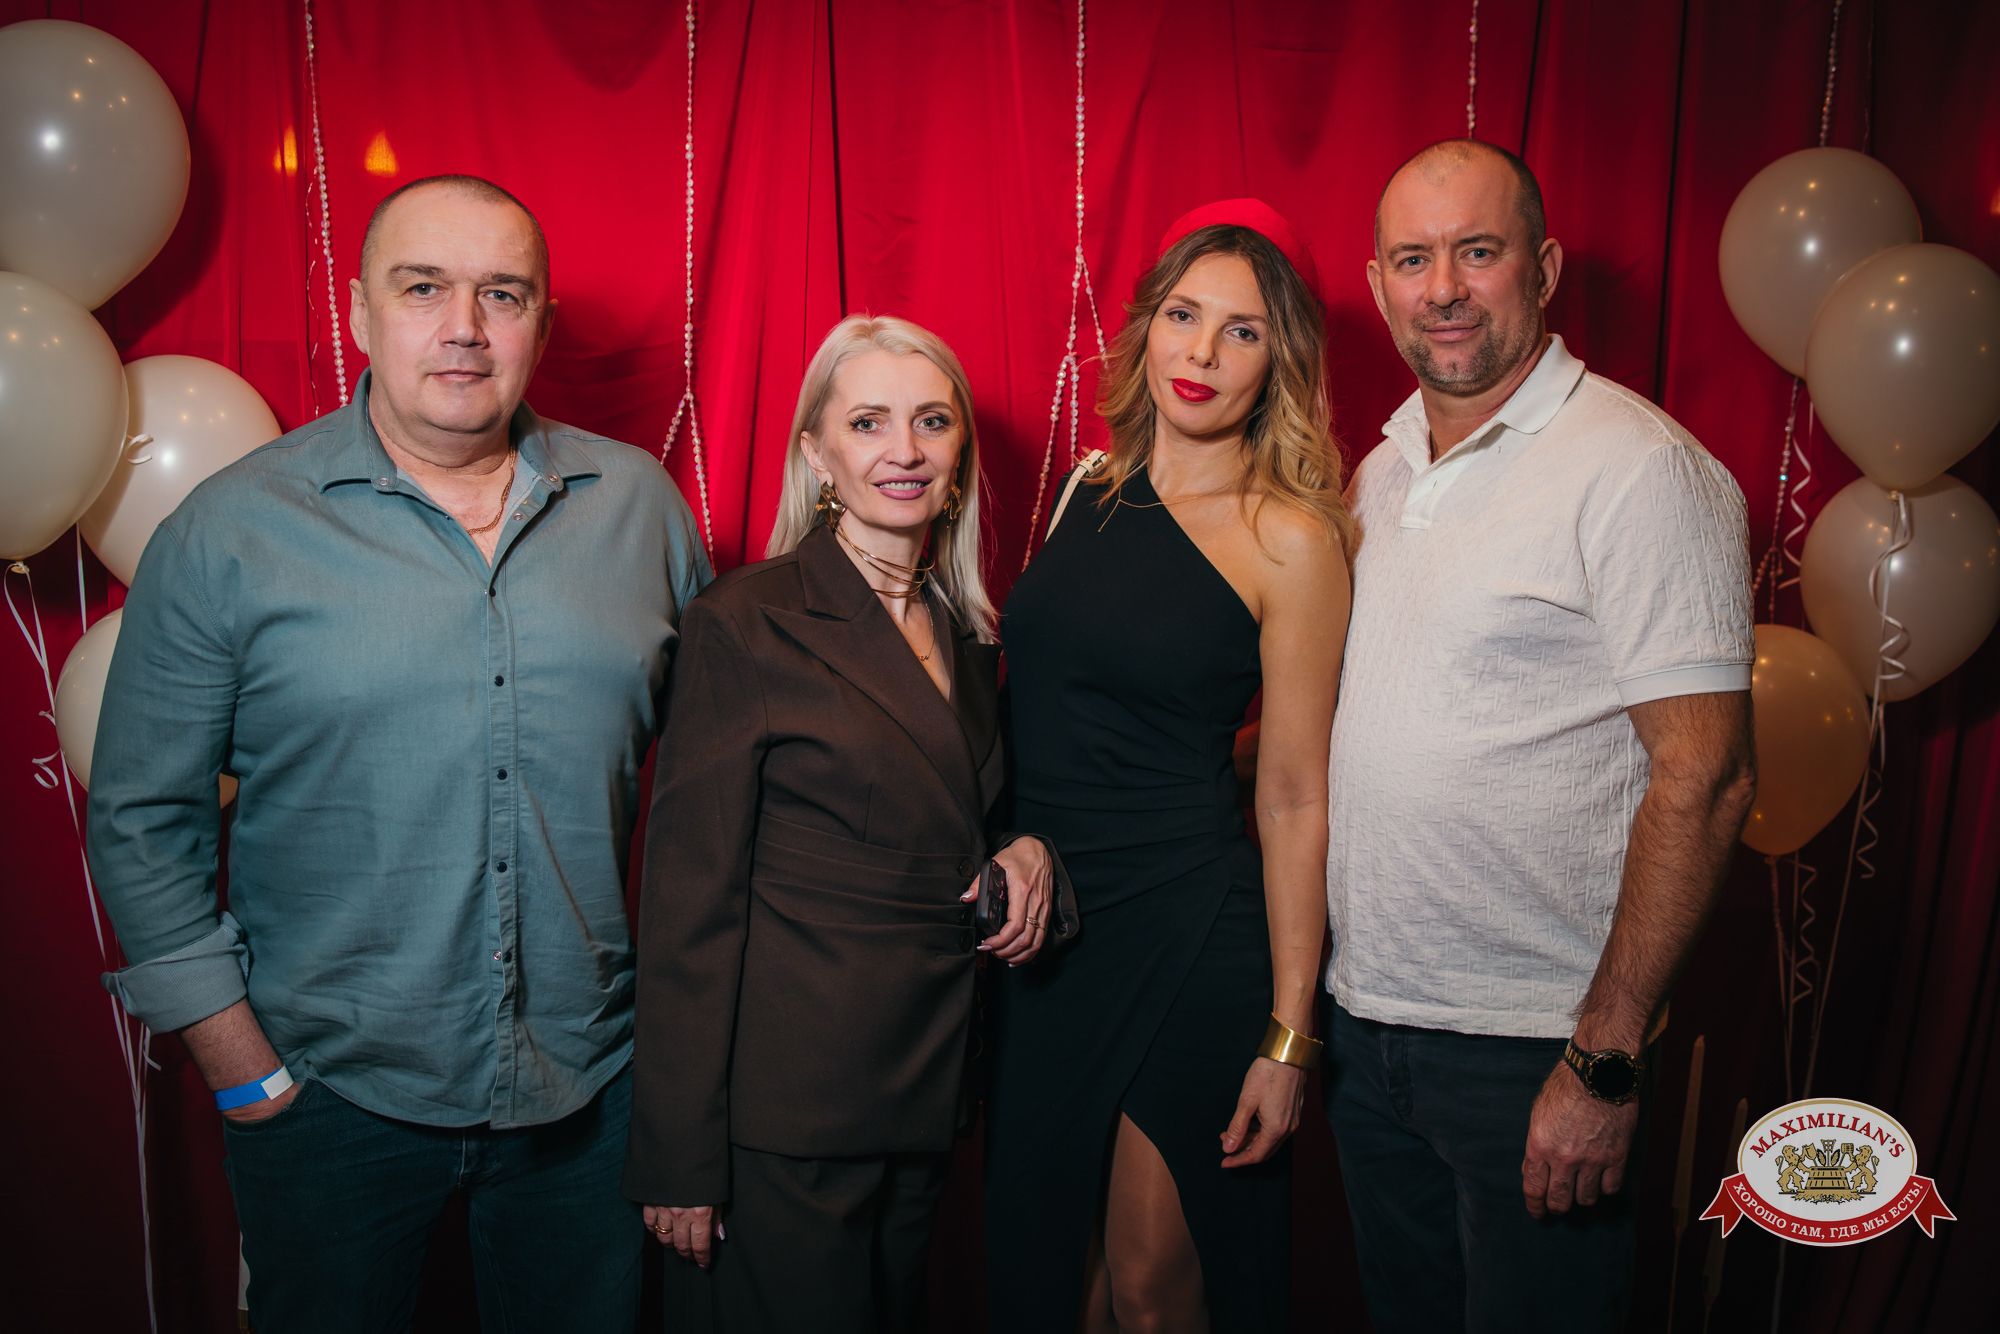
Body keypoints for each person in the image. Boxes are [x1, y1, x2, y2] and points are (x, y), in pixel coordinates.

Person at [85, 174, 710, 1333]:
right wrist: (246, 1071)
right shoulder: (230, 530)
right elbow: (138, 815)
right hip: (327, 1105)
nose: (464, 326)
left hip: (591, 1099)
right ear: (360, 311)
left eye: (501, 293)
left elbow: (723, 788)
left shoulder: (640, 508)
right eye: (424, 288)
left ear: (541, 324)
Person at [1323, 139, 1756, 1333]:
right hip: (1367, 1024)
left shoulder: (1637, 467)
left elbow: (1707, 776)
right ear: (1376, 284)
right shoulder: (1378, 472)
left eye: (1476, 251)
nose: (1442, 289)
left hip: (1533, 1049)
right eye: (1412, 259)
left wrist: (1603, 1060)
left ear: (1544, 267)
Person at [623, 314, 1075, 1334]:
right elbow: (688, 908)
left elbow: (961, 819)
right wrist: (679, 1156)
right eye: (867, 422)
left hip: (924, 1097)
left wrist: (1026, 846)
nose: (902, 450)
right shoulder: (745, 622)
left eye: (930, 421)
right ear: (817, 452)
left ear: (960, 453)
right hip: (784, 1124)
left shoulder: (967, 634)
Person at [986, 200, 1353, 1333]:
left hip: (1189, 931)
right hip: (1049, 935)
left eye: (1242, 331)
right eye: (1184, 315)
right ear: (1146, 325)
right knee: (1055, 1276)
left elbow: (1292, 796)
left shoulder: (1291, 536)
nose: (1202, 352)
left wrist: (1289, 1036)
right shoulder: (1086, 485)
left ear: (1279, 359)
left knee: (1152, 1287)